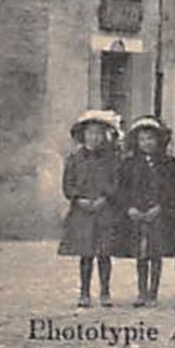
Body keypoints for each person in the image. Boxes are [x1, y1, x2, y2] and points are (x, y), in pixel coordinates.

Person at [117, 115, 175, 308]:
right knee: (141, 253)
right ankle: (141, 292)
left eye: (151, 138)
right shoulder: (128, 164)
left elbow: (174, 189)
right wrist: (129, 208)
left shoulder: (168, 163)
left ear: (159, 140)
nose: (147, 143)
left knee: (156, 252)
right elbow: (122, 189)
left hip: (159, 214)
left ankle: (153, 292)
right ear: (136, 142)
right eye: (142, 139)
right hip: (136, 213)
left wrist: (161, 207)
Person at [58, 110, 123, 308]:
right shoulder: (74, 159)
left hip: (105, 210)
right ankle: (84, 293)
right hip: (82, 212)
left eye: (98, 134)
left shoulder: (111, 159)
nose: (94, 138)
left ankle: (105, 292)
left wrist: (105, 197)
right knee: (86, 254)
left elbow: (117, 182)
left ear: (104, 136)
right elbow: (67, 184)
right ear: (83, 135)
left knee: (104, 253)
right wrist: (79, 199)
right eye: (90, 133)